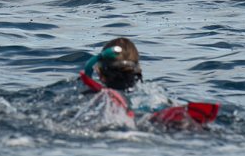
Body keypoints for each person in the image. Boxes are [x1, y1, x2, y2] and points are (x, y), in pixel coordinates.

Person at [79, 37, 219, 126]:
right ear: (137, 71)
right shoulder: (156, 95)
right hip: (154, 118)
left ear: (100, 73)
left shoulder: (94, 97)